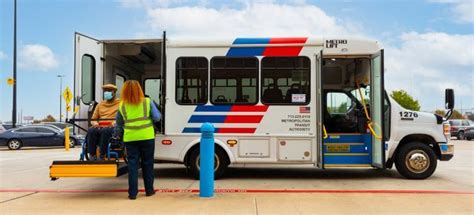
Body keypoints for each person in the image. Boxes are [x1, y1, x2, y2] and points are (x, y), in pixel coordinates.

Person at [113, 80, 161, 200]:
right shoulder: (147, 101)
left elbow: (118, 125)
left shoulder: (122, 105)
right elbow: (157, 118)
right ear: (139, 89)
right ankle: (149, 190)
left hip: (130, 139)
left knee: (133, 165)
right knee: (148, 164)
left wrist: (116, 136)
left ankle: (132, 193)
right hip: (147, 137)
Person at [87, 84, 120, 160]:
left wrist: (115, 123)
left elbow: (123, 117)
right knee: (91, 130)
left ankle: (102, 155)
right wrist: (95, 123)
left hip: (112, 127)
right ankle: (92, 155)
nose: (106, 92)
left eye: (109, 90)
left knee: (105, 131)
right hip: (100, 126)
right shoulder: (100, 104)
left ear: (114, 92)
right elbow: (94, 118)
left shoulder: (120, 103)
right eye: (105, 91)